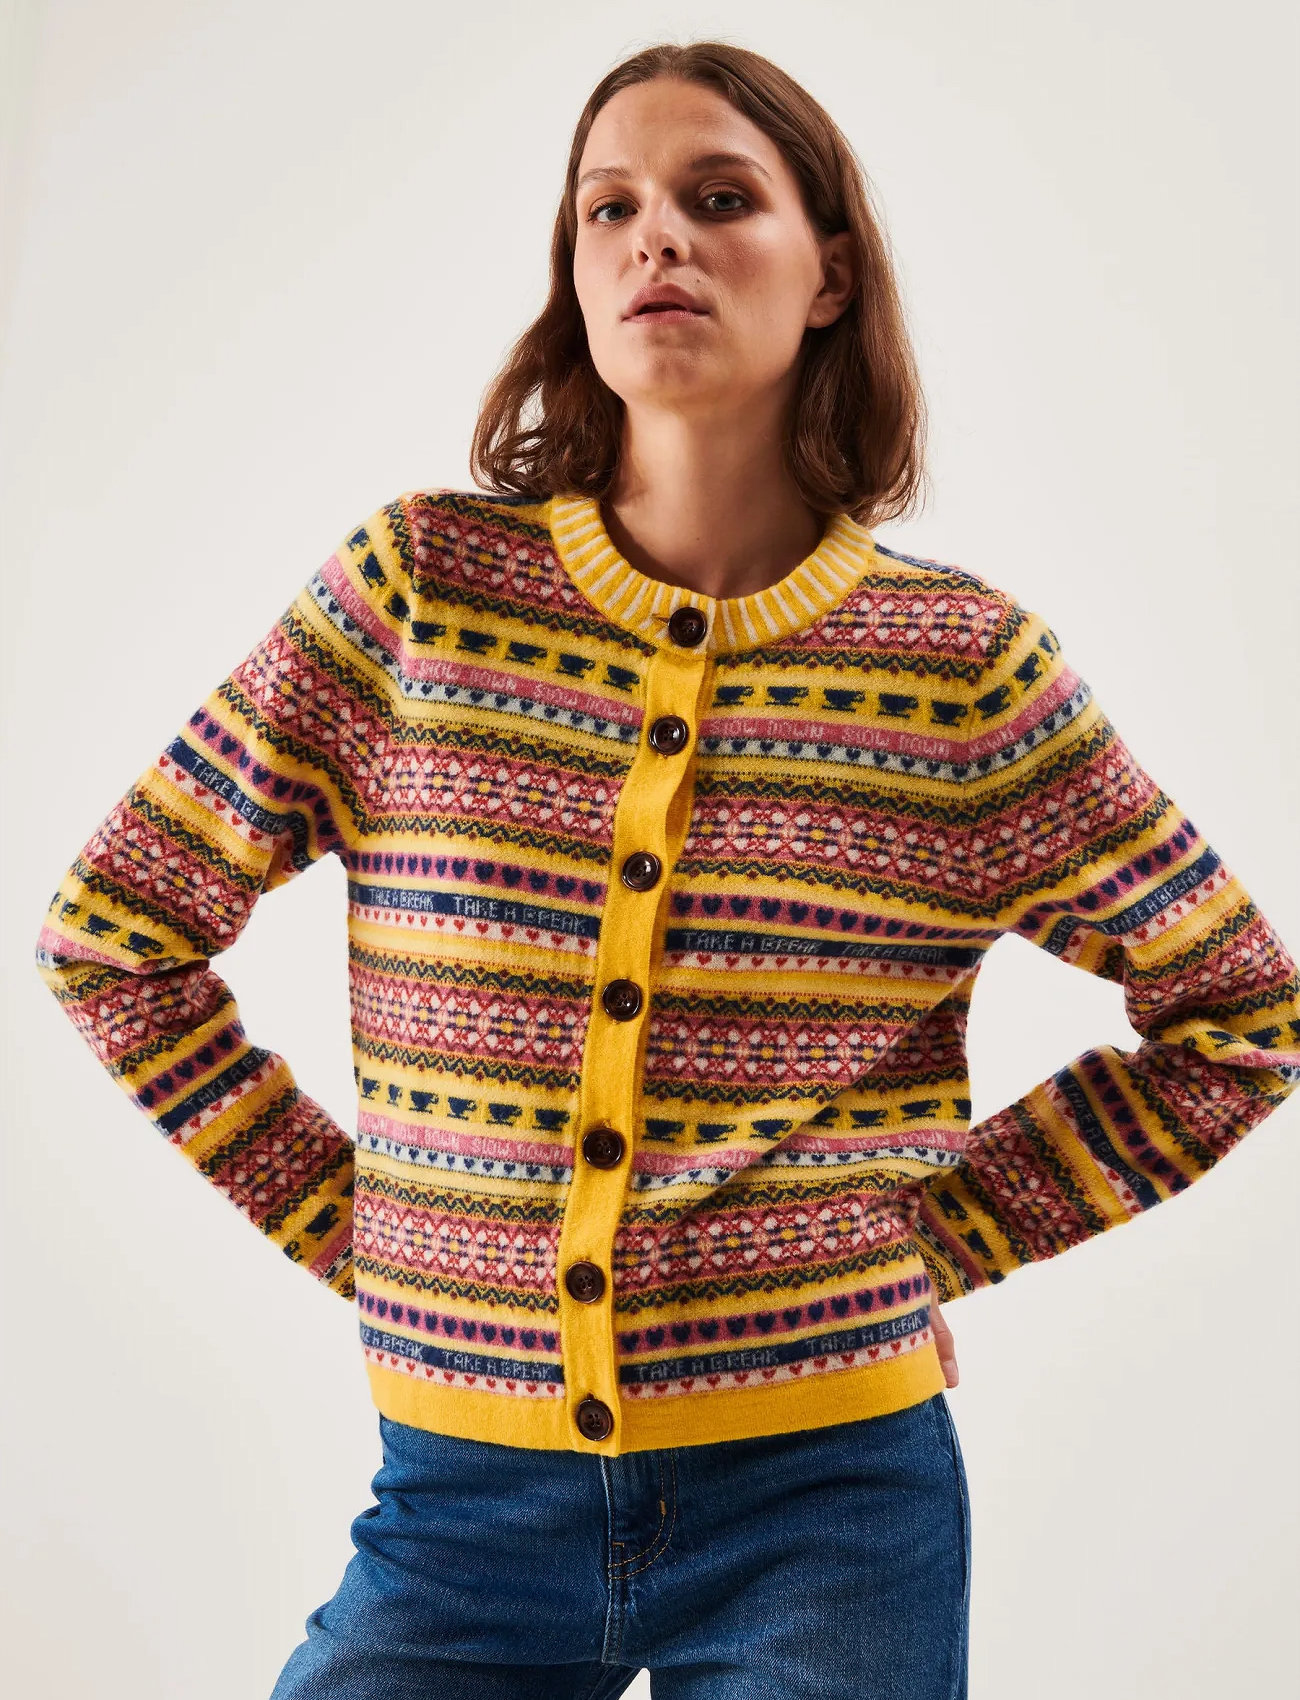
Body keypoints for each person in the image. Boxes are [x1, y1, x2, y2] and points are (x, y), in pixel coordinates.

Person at [34, 39, 1300, 1700]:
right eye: (610, 209)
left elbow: (1241, 1014)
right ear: (573, 275)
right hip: (460, 1509)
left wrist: (929, 1244)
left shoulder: (959, 672)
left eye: (719, 198)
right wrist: (371, 1232)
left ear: (829, 273)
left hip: (830, 1508)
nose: (658, 240)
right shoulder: (421, 598)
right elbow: (114, 937)